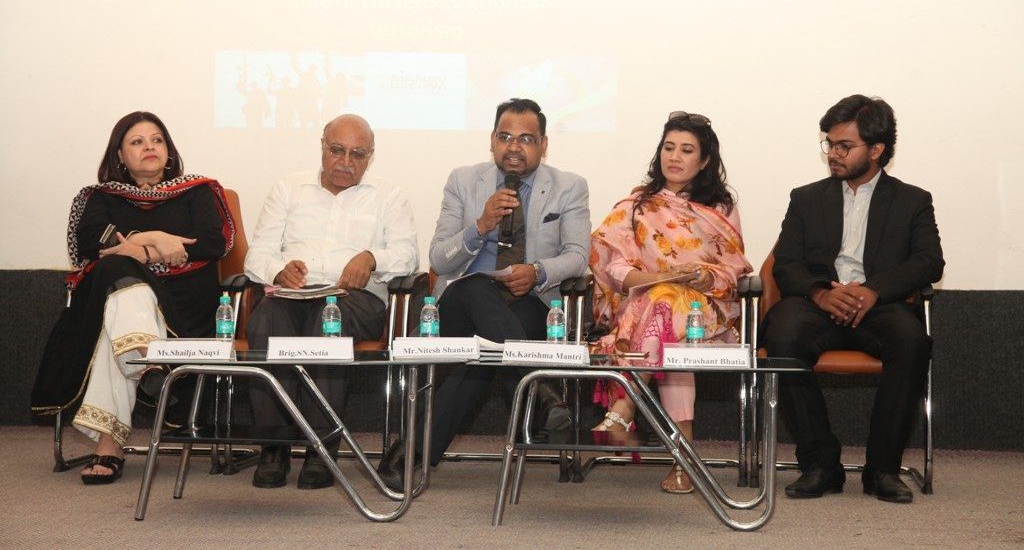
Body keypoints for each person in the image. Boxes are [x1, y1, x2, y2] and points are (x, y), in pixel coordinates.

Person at [377, 98, 591, 489]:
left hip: (530, 301)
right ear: (492, 141)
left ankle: (411, 453)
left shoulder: (569, 187)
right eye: (505, 136)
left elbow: (578, 256)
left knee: (486, 355)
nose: (514, 146)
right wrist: (480, 225)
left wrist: (538, 271)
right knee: (476, 285)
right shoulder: (463, 180)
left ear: (543, 146)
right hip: (462, 304)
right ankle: (539, 393)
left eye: (526, 138)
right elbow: (439, 258)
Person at [31, 111, 235, 485]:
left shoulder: (199, 190)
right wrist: (156, 237)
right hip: (122, 302)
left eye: (156, 140)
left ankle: (111, 441)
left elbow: (216, 242)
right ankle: (146, 361)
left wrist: (137, 245)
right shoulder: (98, 197)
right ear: (120, 156)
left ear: (169, 150)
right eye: (137, 142)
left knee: (117, 290)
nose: (149, 148)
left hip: (184, 309)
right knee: (116, 281)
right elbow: (90, 244)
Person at [762, 95, 944, 503]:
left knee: (912, 342)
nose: (833, 154)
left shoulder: (913, 200)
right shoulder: (806, 198)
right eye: (829, 144)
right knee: (783, 334)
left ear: (876, 150)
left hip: (880, 306)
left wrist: (873, 290)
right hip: (817, 305)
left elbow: (929, 261)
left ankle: (882, 470)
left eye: (844, 146)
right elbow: (786, 263)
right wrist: (820, 292)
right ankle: (820, 464)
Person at [243, 114, 418, 490]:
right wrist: (278, 271)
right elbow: (256, 255)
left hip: (354, 299)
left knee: (327, 322)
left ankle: (321, 447)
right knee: (267, 321)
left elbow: (407, 256)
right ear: (322, 146)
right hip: (292, 293)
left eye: (358, 154)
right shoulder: (289, 188)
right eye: (337, 150)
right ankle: (274, 445)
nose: (346, 162)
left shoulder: (389, 195)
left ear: (370, 157)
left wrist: (372, 258)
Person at [589, 111, 752, 493]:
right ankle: (684, 459)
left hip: (707, 317)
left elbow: (733, 270)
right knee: (664, 314)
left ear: (705, 160)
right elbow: (614, 268)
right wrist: (661, 280)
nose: (674, 157)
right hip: (644, 309)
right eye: (668, 147)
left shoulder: (720, 208)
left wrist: (704, 276)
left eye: (687, 150)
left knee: (668, 311)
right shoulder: (637, 205)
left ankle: (625, 407)